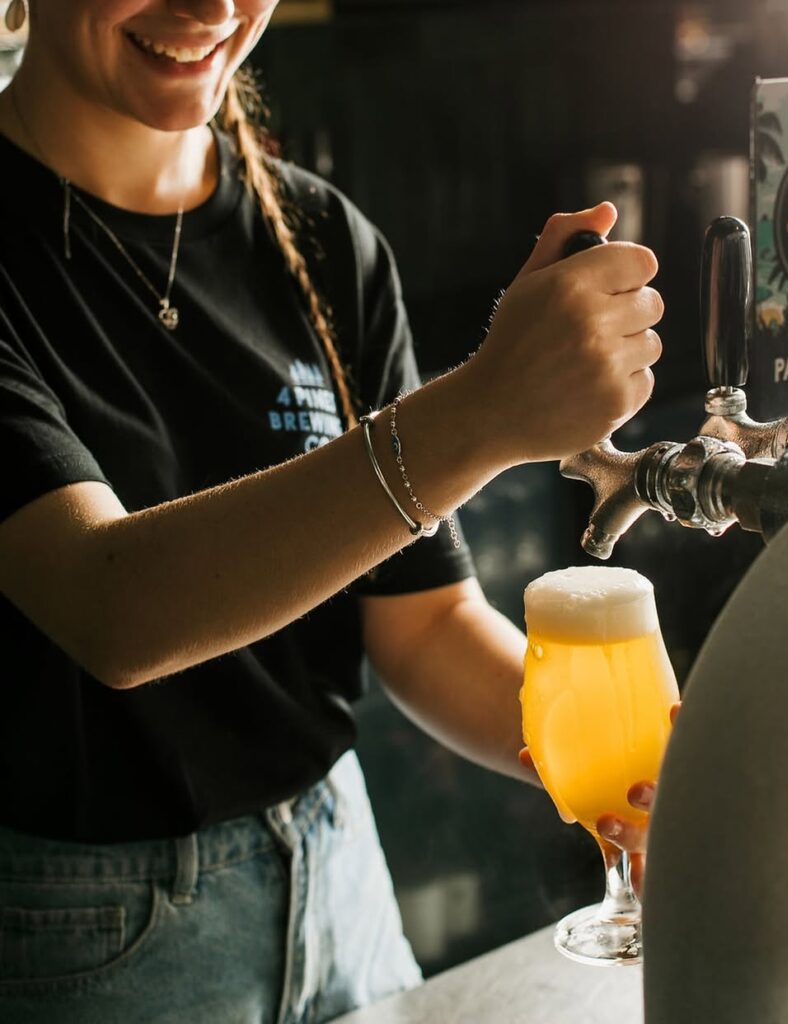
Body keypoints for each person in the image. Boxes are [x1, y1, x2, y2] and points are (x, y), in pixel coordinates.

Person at [0, 1, 664, 1021]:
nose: (209, 8)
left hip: (341, 871)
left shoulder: (320, 239)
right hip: (89, 934)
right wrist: (479, 414)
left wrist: (629, 776)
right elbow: (109, 605)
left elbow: (421, 620)